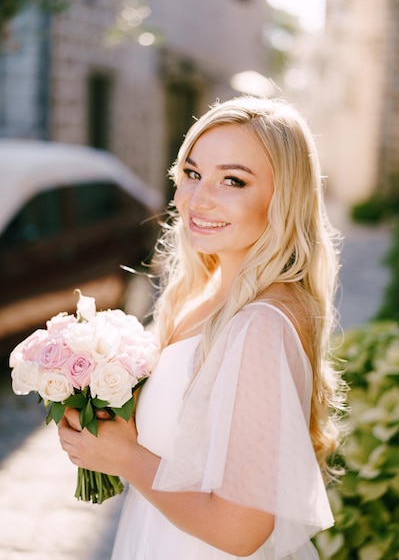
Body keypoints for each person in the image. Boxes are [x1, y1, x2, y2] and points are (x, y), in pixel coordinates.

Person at [58, 96, 345, 560]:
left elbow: (241, 530)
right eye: (192, 173)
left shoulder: (260, 323)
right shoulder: (202, 293)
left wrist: (124, 457)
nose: (198, 198)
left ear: (283, 197)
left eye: (233, 180)